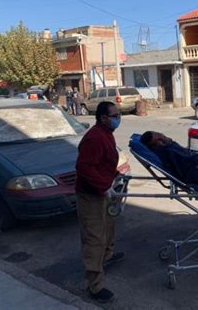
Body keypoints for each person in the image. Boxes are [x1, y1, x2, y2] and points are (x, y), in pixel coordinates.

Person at [75, 101, 124, 303]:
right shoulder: (95, 137)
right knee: (94, 238)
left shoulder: (106, 133)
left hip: (103, 189)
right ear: (103, 118)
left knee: (109, 226)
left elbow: (103, 162)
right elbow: (84, 168)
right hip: (91, 194)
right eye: (115, 115)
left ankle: (107, 256)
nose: (118, 118)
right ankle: (95, 285)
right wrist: (104, 186)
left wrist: (115, 175)